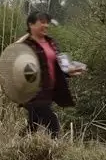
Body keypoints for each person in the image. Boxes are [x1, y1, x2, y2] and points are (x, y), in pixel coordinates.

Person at [19, 11, 85, 139]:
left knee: (33, 125)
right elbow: (20, 69)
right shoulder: (26, 46)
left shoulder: (51, 42)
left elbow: (60, 66)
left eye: (47, 22)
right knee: (53, 124)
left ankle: (18, 147)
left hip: (49, 92)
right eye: (42, 22)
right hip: (34, 93)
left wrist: (71, 71)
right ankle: (54, 153)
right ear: (31, 25)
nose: (46, 25)